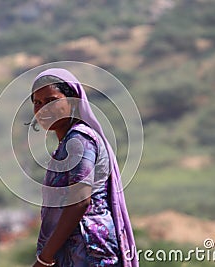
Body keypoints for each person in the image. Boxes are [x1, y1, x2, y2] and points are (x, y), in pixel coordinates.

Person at [30, 68, 139, 267]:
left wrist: (45, 259)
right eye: (37, 102)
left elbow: (79, 202)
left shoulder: (79, 141)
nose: (43, 108)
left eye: (51, 101)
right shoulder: (66, 144)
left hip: (88, 250)